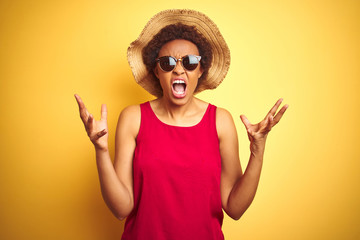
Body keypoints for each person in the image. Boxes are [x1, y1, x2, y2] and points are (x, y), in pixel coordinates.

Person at [74, 9, 288, 240]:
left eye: (190, 62)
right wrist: (101, 151)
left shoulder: (220, 121)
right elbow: (121, 209)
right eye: (167, 63)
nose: (178, 69)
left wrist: (257, 150)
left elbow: (235, 208)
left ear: (201, 69)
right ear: (156, 71)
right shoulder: (133, 118)